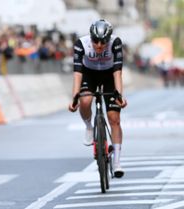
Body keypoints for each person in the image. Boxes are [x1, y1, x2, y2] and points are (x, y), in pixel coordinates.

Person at [68, 19, 127, 178]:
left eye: (103, 42)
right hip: (89, 74)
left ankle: (117, 162)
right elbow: (77, 73)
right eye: (96, 41)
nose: (99, 45)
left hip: (109, 75)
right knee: (85, 100)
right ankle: (88, 126)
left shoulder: (116, 42)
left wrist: (119, 95)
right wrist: (74, 97)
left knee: (114, 118)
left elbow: (117, 73)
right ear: (91, 37)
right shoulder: (81, 43)